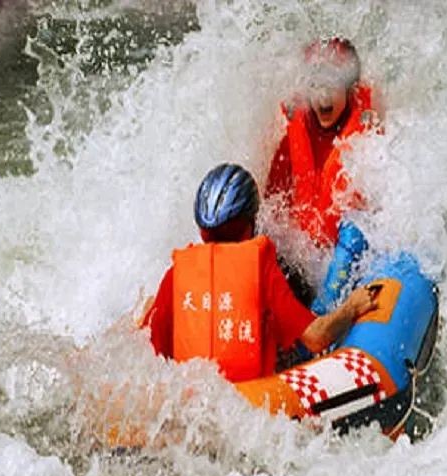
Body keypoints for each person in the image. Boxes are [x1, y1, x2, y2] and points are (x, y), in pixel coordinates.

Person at [140, 163, 378, 383]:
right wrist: (353, 306)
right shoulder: (259, 267)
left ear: (202, 231)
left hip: (197, 404)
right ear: (250, 225)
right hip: (255, 402)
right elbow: (317, 337)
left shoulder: (177, 273)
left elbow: (149, 353)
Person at [266, 37, 382, 249]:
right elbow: (271, 209)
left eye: (331, 86)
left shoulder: (366, 135)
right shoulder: (294, 133)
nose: (323, 97)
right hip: (305, 256)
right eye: (316, 85)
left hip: (347, 251)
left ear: (350, 89)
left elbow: (381, 214)